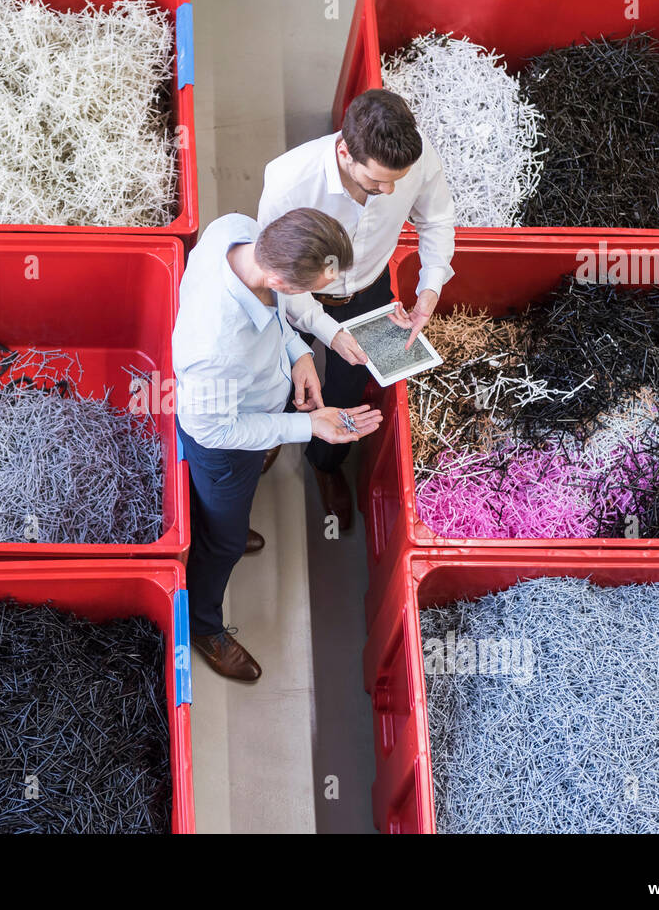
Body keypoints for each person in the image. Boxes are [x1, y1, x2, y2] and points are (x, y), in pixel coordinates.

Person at [174, 208, 384, 682]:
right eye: (305, 289)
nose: (310, 300)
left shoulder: (240, 230)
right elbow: (213, 431)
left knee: (235, 503)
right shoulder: (213, 346)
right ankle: (203, 623)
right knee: (223, 541)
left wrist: (301, 354)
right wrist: (310, 429)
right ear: (277, 277)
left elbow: (278, 317)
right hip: (225, 443)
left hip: (253, 405)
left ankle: (223, 522)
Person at [257, 89, 456, 530]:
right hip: (300, 296)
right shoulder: (290, 180)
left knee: (349, 387)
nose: (388, 192)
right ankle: (270, 436)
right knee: (277, 375)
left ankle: (326, 462)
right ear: (345, 151)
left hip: (368, 290)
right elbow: (280, 273)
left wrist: (430, 286)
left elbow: (436, 219)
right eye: (377, 182)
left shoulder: (415, 159)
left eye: (395, 182)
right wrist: (326, 333)